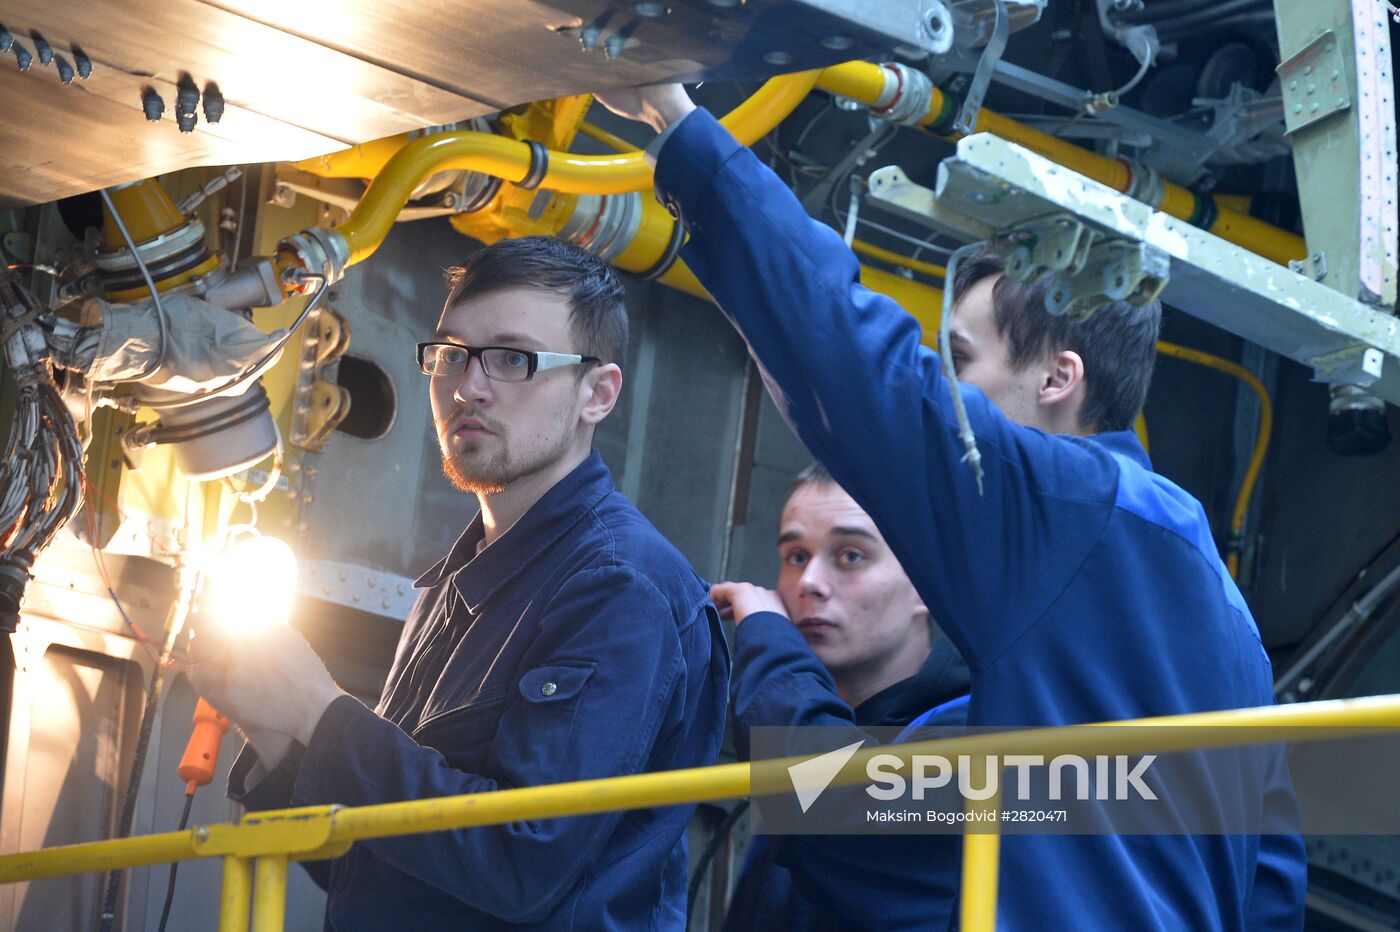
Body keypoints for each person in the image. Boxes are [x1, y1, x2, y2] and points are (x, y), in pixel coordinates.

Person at [597, 86, 1305, 929]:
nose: (949, 392)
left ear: (1057, 380)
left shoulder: (1061, 509)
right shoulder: (1225, 611)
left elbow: (850, 360)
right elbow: (1271, 882)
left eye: (961, 359)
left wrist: (676, 126)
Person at [188, 236, 730, 930]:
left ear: (598, 393)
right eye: (451, 354)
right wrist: (277, 733)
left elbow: (520, 867)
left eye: (512, 359)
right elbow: (373, 867)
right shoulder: (452, 587)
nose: (467, 386)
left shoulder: (619, 590)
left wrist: (319, 711)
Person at [712, 462, 970, 930]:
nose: (809, 582)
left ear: (928, 583)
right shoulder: (807, 733)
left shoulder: (976, 731)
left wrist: (768, 636)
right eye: (795, 555)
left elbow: (839, 814)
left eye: (851, 556)